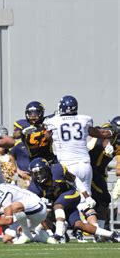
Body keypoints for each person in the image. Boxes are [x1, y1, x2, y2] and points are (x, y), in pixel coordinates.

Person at [44, 95, 115, 228]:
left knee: (60, 198)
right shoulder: (84, 119)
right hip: (84, 164)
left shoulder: (53, 121)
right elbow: (97, 133)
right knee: (86, 200)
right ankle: (96, 229)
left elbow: (46, 137)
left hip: (67, 166)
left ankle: (60, 228)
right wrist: (111, 133)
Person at [28, 158, 119, 243]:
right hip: (62, 205)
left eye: (41, 172)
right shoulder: (34, 187)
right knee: (78, 225)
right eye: (35, 174)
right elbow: (34, 209)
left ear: (47, 169)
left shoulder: (57, 170)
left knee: (57, 205)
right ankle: (112, 234)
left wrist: (87, 196)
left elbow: (75, 179)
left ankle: (59, 234)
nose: (39, 176)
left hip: (72, 194)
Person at [0, 177, 48, 244]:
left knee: (14, 207)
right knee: (6, 239)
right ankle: (40, 236)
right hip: (30, 212)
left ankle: (27, 234)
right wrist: (7, 233)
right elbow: (4, 220)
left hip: (38, 207)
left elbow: (9, 220)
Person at [87, 116, 120, 232]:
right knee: (97, 199)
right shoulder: (108, 130)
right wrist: (107, 145)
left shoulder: (117, 142)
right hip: (90, 168)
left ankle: (99, 230)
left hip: (98, 171)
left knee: (102, 199)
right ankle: (96, 230)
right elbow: (102, 135)